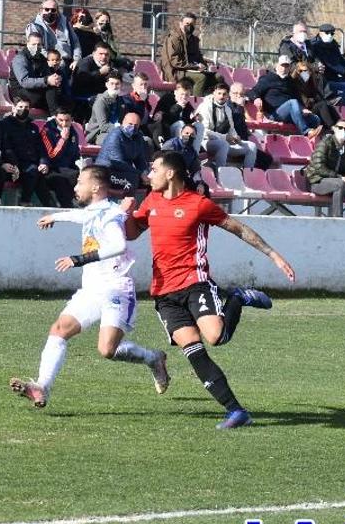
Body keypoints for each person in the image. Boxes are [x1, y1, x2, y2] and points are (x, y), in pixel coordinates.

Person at [124, 151, 295, 429]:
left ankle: (237, 297)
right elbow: (132, 232)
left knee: (215, 337)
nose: (149, 174)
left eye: (154, 169)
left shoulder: (198, 204)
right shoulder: (151, 201)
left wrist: (273, 255)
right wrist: (125, 215)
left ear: (170, 173)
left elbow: (239, 229)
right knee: (194, 350)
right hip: (163, 293)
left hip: (195, 283)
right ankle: (236, 411)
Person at [11, 166, 171, 409]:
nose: (75, 187)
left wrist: (78, 259)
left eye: (79, 182)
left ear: (95, 187)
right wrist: (55, 217)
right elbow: (82, 217)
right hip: (92, 289)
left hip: (116, 288)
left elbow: (118, 245)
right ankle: (41, 386)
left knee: (107, 350)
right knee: (59, 329)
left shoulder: (111, 215)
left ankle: (153, 358)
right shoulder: (96, 211)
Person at [305, 119, 345, 217]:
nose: (343, 131)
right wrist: (342, 178)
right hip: (316, 181)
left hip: (336, 182)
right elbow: (319, 168)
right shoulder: (324, 144)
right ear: (334, 129)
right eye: (340, 128)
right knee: (340, 184)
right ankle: (337, 219)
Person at [0, 94, 51, 206]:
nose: (23, 110)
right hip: (13, 165)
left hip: (31, 164)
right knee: (33, 172)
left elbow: (41, 148)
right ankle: (25, 201)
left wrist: (43, 163)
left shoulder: (33, 127)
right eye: (20, 107)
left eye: (26, 108)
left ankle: (50, 207)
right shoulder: (4, 125)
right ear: (14, 108)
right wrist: (15, 164)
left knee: (41, 175)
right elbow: (5, 148)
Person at [250, 55, 321, 136]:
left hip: (291, 113)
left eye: (287, 66)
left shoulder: (290, 81)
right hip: (275, 113)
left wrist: (303, 108)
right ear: (277, 66)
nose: (284, 68)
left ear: (289, 67)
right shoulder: (267, 78)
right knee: (292, 103)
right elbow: (253, 91)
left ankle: (308, 140)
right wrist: (256, 98)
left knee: (315, 119)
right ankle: (306, 132)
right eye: (282, 65)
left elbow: (298, 97)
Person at [197, 82, 257, 169]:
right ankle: (220, 173)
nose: (221, 96)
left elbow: (231, 129)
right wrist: (225, 137)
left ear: (227, 96)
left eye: (224, 94)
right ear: (214, 93)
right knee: (223, 144)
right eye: (219, 93)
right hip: (205, 142)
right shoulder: (206, 107)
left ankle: (247, 175)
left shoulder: (227, 108)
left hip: (222, 140)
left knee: (252, 146)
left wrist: (236, 137)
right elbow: (205, 132)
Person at [94, 111, 151, 193]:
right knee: (133, 180)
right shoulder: (115, 136)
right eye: (130, 124)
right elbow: (119, 163)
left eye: (136, 125)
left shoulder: (138, 137)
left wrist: (146, 173)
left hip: (126, 172)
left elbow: (140, 160)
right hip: (107, 172)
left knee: (151, 182)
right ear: (123, 122)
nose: (133, 127)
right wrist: (140, 174)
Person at [39, 105, 82, 208]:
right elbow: (51, 155)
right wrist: (62, 140)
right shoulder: (47, 131)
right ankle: (68, 207)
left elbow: (75, 154)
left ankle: (79, 204)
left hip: (67, 167)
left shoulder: (73, 132)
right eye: (60, 120)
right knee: (61, 180)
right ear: (55, 118)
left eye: (67, 120)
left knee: (82, 176)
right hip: (52, 167)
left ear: (71, 120)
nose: (64, 123)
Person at [161, 12, 215, 96]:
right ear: (180, 24)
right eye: (187, 23)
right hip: (176, 71)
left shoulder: (193, 39)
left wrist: (204, 65)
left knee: (218, 77)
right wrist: (196, 66)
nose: (190, 26)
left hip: (190, 69)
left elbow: (198, 56)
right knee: (201, 78)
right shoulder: (174, 38)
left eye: (192, 24)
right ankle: (195, 104)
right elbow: (175, 62)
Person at [9, 32, 64, 113]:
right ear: (27, 44)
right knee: (50, 91)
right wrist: (47, 80)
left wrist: (55, 78)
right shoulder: (20, 58)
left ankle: (58, 115)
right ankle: (54, 117)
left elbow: (47, 75)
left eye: (39, 45)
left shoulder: (41, 58)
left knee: (61, 95)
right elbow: (24, 82)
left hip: (35, 89)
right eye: (33, 44)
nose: (36, 47)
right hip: (20, 92)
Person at [308, 23, 345, 101]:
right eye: (327, 33)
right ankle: (343, 110)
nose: (330, 35)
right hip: (323, 80)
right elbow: (331, 64)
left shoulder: (333, 44)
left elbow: (341, 60)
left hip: (334, 77)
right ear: (320, 33)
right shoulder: (315, 45)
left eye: (332, 33)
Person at [26, 0, 80, 65]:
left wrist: (76, 60)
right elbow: (35, 47)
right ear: (41, 10)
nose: (50, 12)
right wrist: (54, 60)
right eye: (47, 9)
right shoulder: (34, 25)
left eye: (53, 10)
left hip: (68, 61)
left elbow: (75, 42)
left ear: (57, 11)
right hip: (46, 62)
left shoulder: (65, 23)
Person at [85, 71, 129, 143]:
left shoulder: (121, 101)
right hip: (98, 134)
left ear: (121, 85)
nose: (114, 87)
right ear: (107, 85)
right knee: (115, 139)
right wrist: (120, 128)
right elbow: (103, 126)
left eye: (117, 84)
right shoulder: (101, 101)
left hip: (117, 131)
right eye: (112, 84)